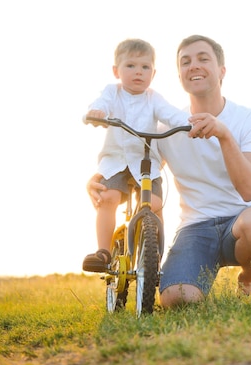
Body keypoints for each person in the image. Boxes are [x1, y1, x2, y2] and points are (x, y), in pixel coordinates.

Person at [87, 35, 251, 307]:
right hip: (195, 228)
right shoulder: (166, 129)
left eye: (203, 58)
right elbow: (141, 168)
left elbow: (250, 190)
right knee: (177, 299)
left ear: (221, 70)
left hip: (242, 220)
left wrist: (224, 135)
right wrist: (98, 179)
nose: (194, 66)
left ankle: (247, 278)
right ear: (179, 76)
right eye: (185, 62)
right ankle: (190, 273)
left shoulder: (248, 119)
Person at [82, 38, 190, 273]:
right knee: (108, 197)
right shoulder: (113, 92)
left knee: (155, 204)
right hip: (116, 160)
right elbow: (102, 102)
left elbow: (171, 114)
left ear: (154, 72)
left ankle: (154, 255)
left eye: (145, 67)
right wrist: (97, 112)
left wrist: (189, 123)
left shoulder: (154, 98)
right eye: (130, 66)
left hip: (146, 162)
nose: (138, 72)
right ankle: (103, 251)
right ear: (116, 71)